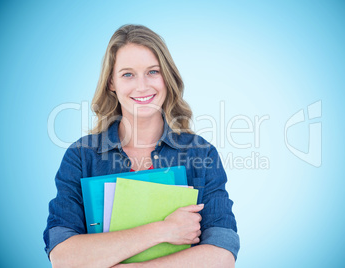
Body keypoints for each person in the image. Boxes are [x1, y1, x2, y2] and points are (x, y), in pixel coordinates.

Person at [44, 24, 239, 267]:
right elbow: (63, 257)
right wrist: (163, 230)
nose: (142, 86)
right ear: (111, 83)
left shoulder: (201, 154)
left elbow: (222, 255)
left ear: (167, 77)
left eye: (153, 72)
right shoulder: (81, 157)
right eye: (128, 74)